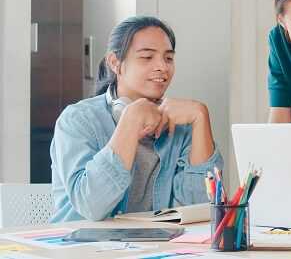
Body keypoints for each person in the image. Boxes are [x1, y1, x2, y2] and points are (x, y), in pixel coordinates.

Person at [50, 16, 223, 222]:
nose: (162, 67)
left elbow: (203, 211)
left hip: (155, 248)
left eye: (168, 58)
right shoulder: (78, 120)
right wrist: (130, 120)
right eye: (147, 57)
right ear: (115, 63)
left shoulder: (182, 125)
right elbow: (91, 206)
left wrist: (200, 117)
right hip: (83, 248)